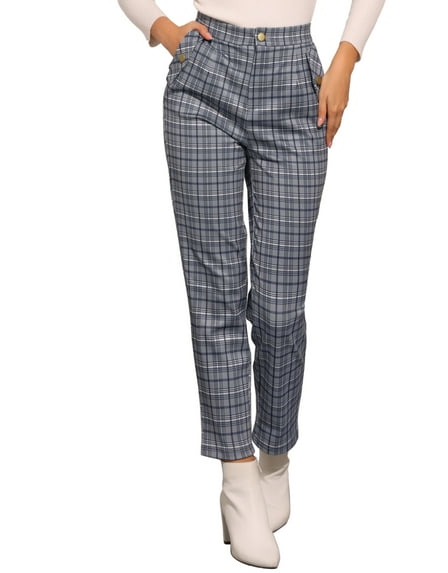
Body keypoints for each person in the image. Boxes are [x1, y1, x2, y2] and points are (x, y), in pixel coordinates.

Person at [117, 0, 385, 567]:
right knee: (214, 299)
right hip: (203, 81)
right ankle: (237, 481)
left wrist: (346, 57)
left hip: (295, 78)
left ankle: (275, 453)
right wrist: (162, 30)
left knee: (279, 309)